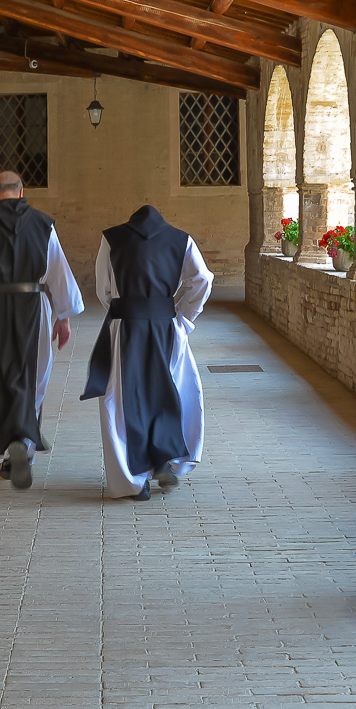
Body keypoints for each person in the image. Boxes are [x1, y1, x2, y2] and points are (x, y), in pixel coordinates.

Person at [0, 171, 84, 489]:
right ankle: (24, 441)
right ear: (21, 193)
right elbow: (57, 270)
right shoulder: (42, 223)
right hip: (33, 306)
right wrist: (63, 317)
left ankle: (12, 448)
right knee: (32, 377)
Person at [80, 205, 213, 500]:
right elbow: (203, 279)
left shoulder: (111, 238)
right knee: (168, 392)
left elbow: (104, 289)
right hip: (167, 327)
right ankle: (163, 461)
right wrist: (184, 316)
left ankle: (134, 482)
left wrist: (123, 313)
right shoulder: (181, 239)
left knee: (122, 401)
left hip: (125, 326)